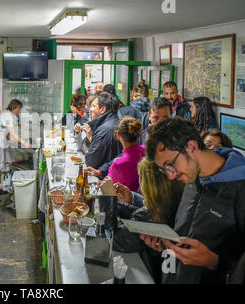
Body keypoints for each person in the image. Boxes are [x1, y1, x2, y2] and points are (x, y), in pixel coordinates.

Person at [144, 117, 245, 284]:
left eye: (170, 164)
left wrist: (213, 261)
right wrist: (167, 244)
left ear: (191, 146)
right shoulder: (191, 177)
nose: (170, 175)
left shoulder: (240, 188)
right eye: (164, 169)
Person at [85, 97, 172, 178]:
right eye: (156, 118)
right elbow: (128, 153)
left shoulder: (177, 140)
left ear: (171, 116)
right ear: (149, 116)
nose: (161, 122)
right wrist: (101, 171)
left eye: (165, 118)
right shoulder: (145, 134)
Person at [0, 99, 32, 203]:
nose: (19, 112)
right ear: (16, 108)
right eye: (19, 109)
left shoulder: (8, 115)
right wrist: (24, 143)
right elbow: (13, 134)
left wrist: (14, 140)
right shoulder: (7, 116)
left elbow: (7, 133)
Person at [75, 92, 122, 169]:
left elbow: (91, 161)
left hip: (107, 177)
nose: (90, 110)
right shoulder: (117, 122)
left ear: (102, 109)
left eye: (93, 106)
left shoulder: (103, 130)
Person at [107, 116, 145, 192]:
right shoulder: (146, 150)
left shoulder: (118, 165)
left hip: (127, 202)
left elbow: (108, 187)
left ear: (118, 134)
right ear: (138, 135)